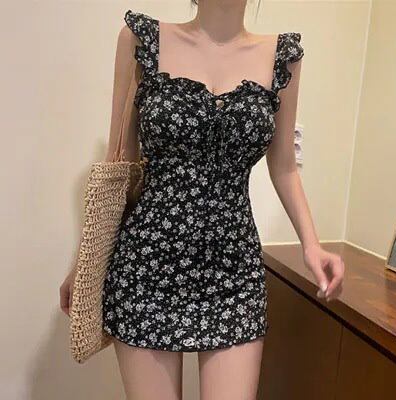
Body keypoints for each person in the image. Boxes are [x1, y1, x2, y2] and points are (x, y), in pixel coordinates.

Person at [60, 1, 344, 399]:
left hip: (234, 271)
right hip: (146, 267)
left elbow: (283, 166)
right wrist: (85, 262)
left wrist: (312, 246)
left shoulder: (283, 57)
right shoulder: (141, 40)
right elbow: (118, 161)